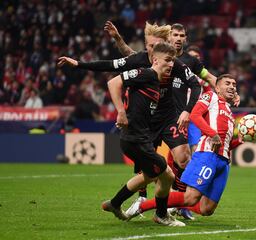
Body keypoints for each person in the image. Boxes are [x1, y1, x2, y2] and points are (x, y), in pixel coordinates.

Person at [57, 22, 201, 214]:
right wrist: (79, 64)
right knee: (151, 166)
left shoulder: (173, 63)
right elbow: (110, 66)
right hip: (146, 121)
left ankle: (177, 204)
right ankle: (141, 199)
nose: (150, 50)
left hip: (168, 117)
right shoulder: (140, 60)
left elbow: (196, 85)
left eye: (155, 46)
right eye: (148, 46)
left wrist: (187, 111)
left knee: (183, 158)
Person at [125, 74, 243, 220]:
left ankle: (176, 206)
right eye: (227, 83)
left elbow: (224, 144)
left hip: (223, 162)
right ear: (217, 87)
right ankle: (142, 207)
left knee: (207, 209)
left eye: (234, 84)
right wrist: (212, 134)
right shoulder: (211, 97)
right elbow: (195, 115)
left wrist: (240, 141)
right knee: (191, 197)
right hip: (207, 156)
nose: (232, 86)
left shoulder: (230, 113)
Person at [102, 42, 185, 227]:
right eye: (168, 60)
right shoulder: (147, 74)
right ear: (155, 60)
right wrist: (121, 112)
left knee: (150, 176)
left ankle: (114, 203)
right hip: (135, 139)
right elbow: (113, 82)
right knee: (167, 175)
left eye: (173, 61)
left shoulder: (154, 80)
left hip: (139, 138)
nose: (171, 64)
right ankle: (161, 215)